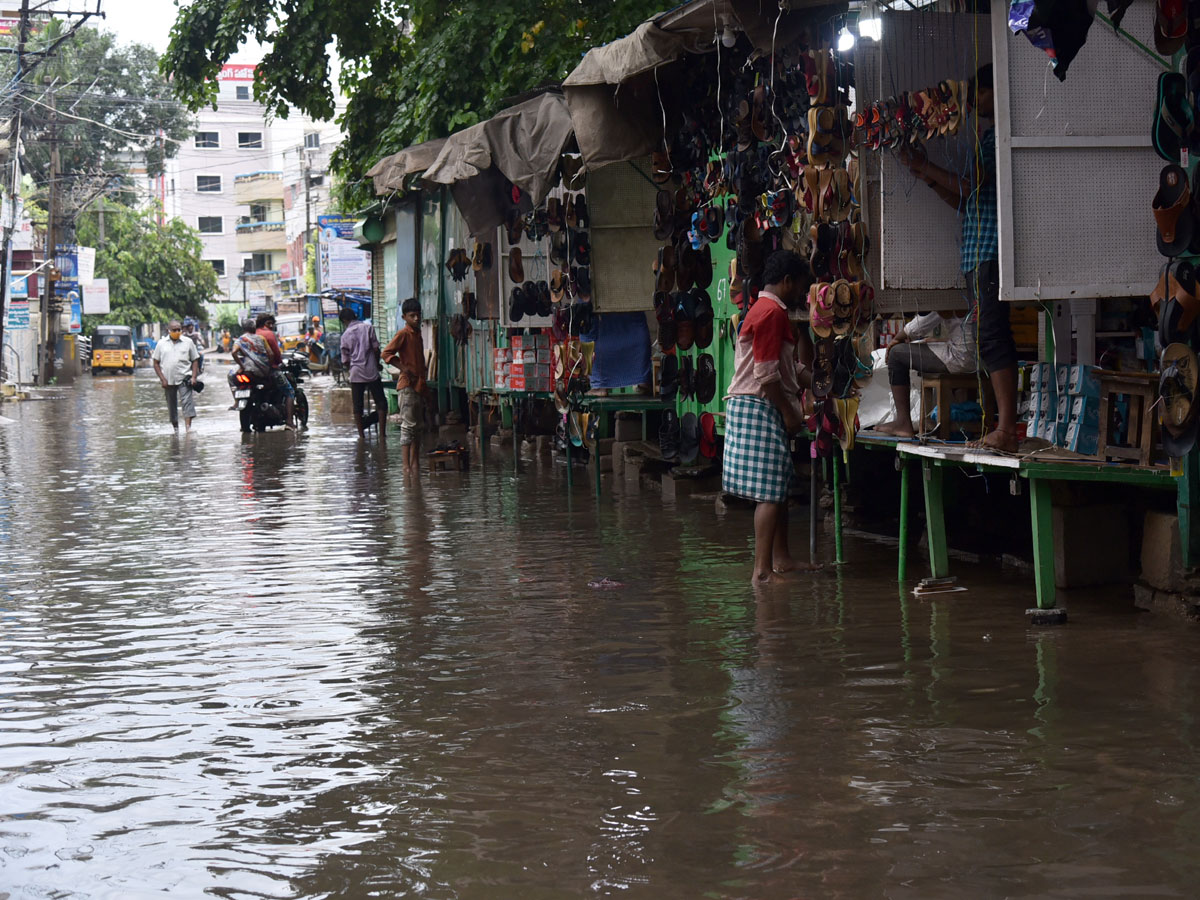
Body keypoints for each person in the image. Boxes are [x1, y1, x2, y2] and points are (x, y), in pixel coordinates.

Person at [899, 63, 1018, 452]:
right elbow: (962, 198)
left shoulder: (999, 138)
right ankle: (1001, 425)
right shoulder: (987, 139)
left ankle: (1007, 429)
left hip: (988, 251)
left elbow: (968, 188)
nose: (971, 102)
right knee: (990, 338)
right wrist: (927, 176)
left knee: (994, 338)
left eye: (976, 93)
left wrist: (926, 167)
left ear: (992, 92)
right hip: (976, 252)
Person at [723, 250, 822, 586]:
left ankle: (780, 559)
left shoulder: (763, 310)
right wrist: (790, 412)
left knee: (778, 488)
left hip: (758, 403)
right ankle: (762, 572)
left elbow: (782, 367)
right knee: (769, 491)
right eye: (800, 288)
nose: (800, 296)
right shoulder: (771, 313)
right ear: (788, 282)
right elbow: (766, 375)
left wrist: (814, 381)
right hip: (759, 404)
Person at [875, 310, 976, 437]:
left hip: (961, 357)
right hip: (981, 358)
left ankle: (903, 423)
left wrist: (897, 339)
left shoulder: (949, 296)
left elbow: (922, 323)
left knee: (896, 354)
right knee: (924, 344)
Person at [383, 298, 428, 475]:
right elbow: (386, 353)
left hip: (418, 385)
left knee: (417, 427)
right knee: (408, 426)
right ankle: (406, 467)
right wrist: (404, 368)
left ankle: (414, 464)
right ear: (404, 317)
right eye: (412, 316)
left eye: (418, 315)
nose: (416, 318)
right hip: (407, 386)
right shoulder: (403, 334)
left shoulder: (417, 334)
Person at [339, 307, 387, 442]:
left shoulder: (345, 335)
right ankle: (382, 434)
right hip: (371, 370)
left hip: (356, 373)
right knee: (381, 402)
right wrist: (377, 364)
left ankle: (361, 436)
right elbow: (376, 349)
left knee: (357, 405)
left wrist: (351, 368)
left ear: (344, 320)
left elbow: (345, 360)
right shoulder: (368, 328)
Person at [151, 319, 201, 432]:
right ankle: (176, 429)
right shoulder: (161, 344)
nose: (177, 331)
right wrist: (162, 379)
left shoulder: (188, 342)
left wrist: (193, 377)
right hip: (168, 380)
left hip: (184, 378)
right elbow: (155, 363)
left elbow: (195, 360)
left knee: (187, 402)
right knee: (171, 405)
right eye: (174, 330)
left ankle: (188, 429)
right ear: (168, 330)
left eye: (179, 329)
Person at [256, 312, 296, 429]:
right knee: (290, 391)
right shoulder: (269, 334)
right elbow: (276, 354)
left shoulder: (251, 334)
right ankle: (289, 422)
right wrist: (279, 363)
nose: (272, 326)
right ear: (266, 323)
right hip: (270, 371)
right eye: (270, 323)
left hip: (253, 373)